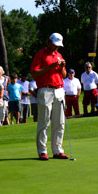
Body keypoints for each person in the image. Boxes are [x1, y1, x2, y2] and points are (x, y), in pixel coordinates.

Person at [31, 32, 68, 160]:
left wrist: (62, 68)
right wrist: (50, 67)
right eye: (55, 44)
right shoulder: (40, 54)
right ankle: (42, 151)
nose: (57, 47)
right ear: (49, 41)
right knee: (44, 121)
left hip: (59, 89)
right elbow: (35, 74)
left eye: (58, 45)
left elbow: (63, 75)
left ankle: (57, 150)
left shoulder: (59, 55)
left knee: (60, 122)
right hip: (45, 90)